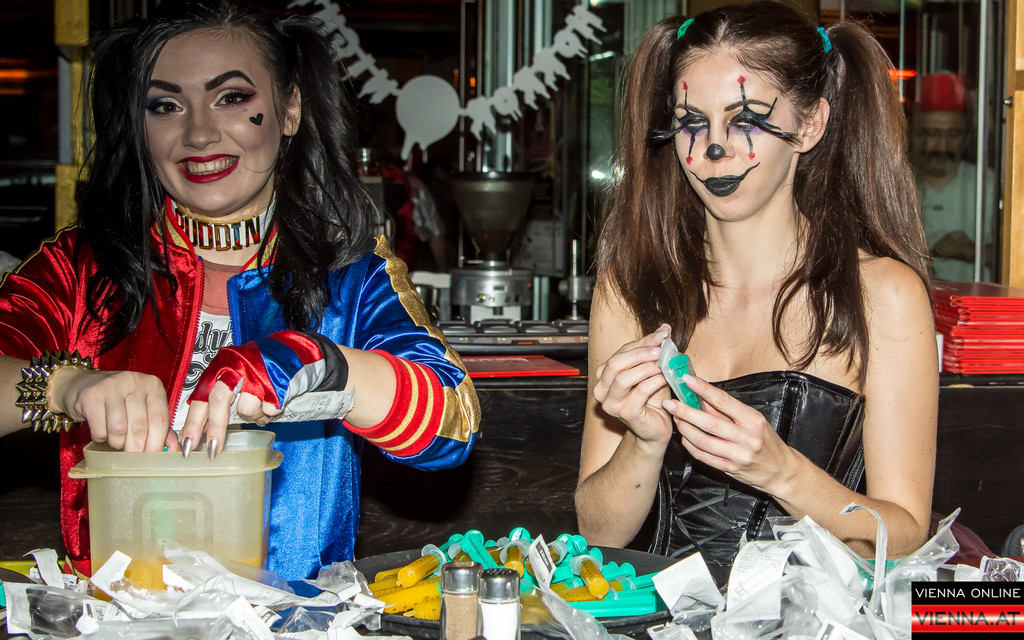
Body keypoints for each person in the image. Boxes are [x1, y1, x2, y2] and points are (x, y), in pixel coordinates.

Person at [0, 1, 480, 581]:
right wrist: (67, 385)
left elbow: (453, 426)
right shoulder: (82, 267)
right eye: (166, 106)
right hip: (116, 613)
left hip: (292, 615)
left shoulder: (351, 273)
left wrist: (315, 362)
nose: (199, 134)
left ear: (289, 109)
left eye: (231, 98)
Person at [576, 2, 937, 565]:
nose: (713, 149)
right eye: (692, 122)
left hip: (813, 609)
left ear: (810, 124)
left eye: (744, 119)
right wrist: (644, 443)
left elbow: (906, 533)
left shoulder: (883, 296)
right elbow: (598, 533)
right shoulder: (630, 291)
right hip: (655, 608)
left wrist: (781, 471)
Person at [911, 73, 996, 281]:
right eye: (931, 133)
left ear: (967, 138)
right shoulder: (896, 182)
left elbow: (1014, 253)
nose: (941, 146)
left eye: (953, 134)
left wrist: (970, 249)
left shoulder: (987, 183)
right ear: (913, 135)